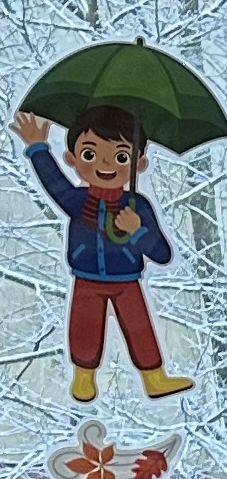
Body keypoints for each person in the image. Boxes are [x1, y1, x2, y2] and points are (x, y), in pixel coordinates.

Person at [14, 106, 190, 404]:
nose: (105, 164)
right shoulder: (77, 201)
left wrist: (137, 231)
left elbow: (161, 254)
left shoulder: (137, 207)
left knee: (140, 327)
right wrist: (37, 147)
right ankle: (83, 376)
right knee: (84, 327)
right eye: (90, 154)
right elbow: (54, 183)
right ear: (72, 159)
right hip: (86, 278)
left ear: (139, 163)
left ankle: (154, 377)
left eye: (121, 157)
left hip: (127, 280)